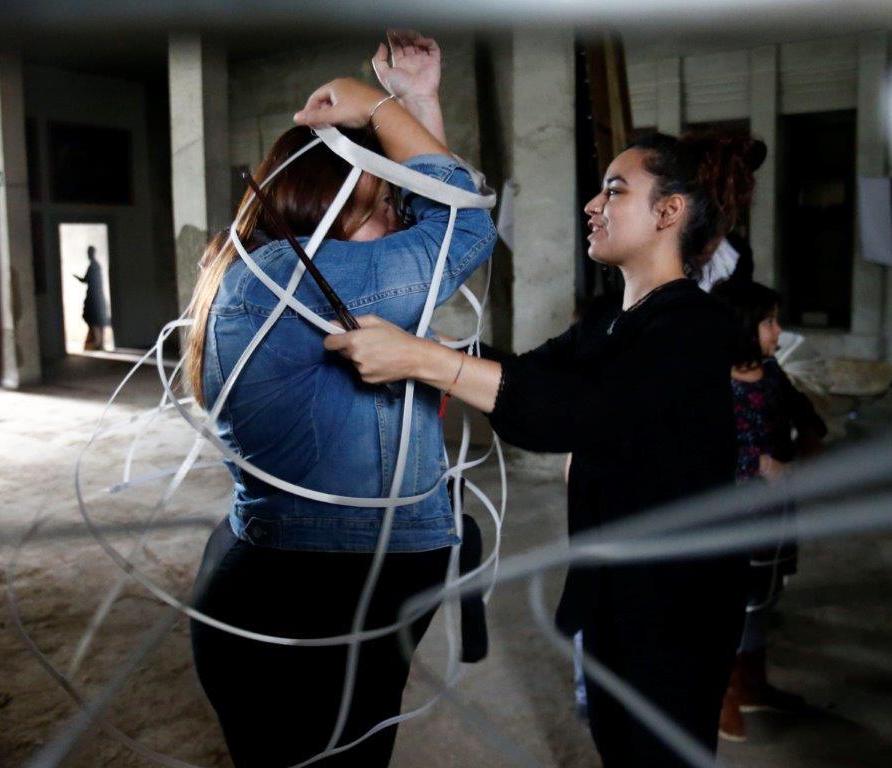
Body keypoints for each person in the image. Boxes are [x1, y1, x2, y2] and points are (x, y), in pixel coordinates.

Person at [325, 131, 768, 767]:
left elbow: (570, 414)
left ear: (668, 212)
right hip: (615, 585)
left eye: (615, 191)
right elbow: (528, 378)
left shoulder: (693, 326)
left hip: (676, 603)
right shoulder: (607, 320)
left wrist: (423, 360)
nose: (592, 204)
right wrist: (428, 347)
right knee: (619, 746)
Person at [186, 32, 496, 768]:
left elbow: (437, 226)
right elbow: (462, 225)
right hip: (311, 594)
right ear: (327, 209)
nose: (399, 223)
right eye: (383, 204)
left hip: (320, 584)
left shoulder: (271, 273)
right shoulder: (297, 278)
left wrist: (418, 102)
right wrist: (378, 104)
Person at [711, 280, 826, 742]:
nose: (778, 332)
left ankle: (752, 683)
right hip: (732, 523)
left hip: (774, 517)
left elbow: (807, 421)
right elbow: (700, 449)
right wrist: (758, 463)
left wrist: (808, 445)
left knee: (763, 602)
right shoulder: (710, 384)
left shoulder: (772, 372)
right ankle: (721, 696)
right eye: (769, 321)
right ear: (740, 326)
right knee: (728, 609)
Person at [73, 245, 108, 350]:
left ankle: (98, 343)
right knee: (93, 320)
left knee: (95, 320)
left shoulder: (94, 266)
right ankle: (96, 342)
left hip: (94, 298)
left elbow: (88, 280)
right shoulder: (94, 266)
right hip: (94, 296)